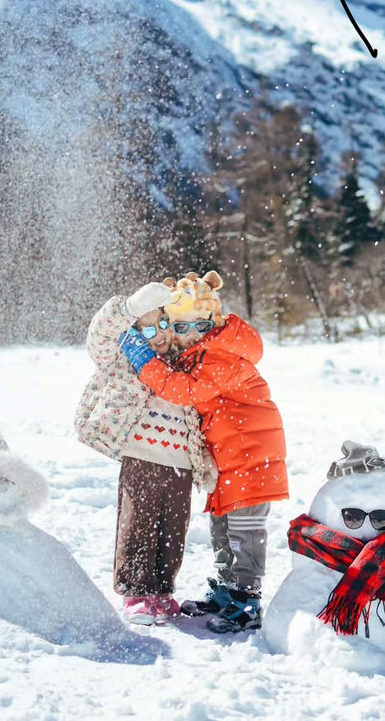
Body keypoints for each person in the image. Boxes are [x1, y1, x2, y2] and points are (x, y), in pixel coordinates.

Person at [119, 270, 289, 633]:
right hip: (229, 458)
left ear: (213, 321)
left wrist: (145, 364)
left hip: (249, 455)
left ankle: (247, 600)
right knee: (221, 528)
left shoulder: (222, 355)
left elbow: (185, 392)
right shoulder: (201, 353)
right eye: (180, 328)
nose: (190, 335)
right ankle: (228, 590)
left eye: (199, 325)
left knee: (245, 531)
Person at [74, 281, 217, 626]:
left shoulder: (183, 366)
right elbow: (99, 337)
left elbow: (196, 420)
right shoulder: (126, 360)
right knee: (139, 525)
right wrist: (128, 309)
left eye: (164, 324)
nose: (160, 335)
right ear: (136, 333)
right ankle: (136, 592)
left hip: (180, 465)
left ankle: (162, 590)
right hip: (143, 458)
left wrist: (204, 462)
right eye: (149, 328)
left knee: (173, 530)